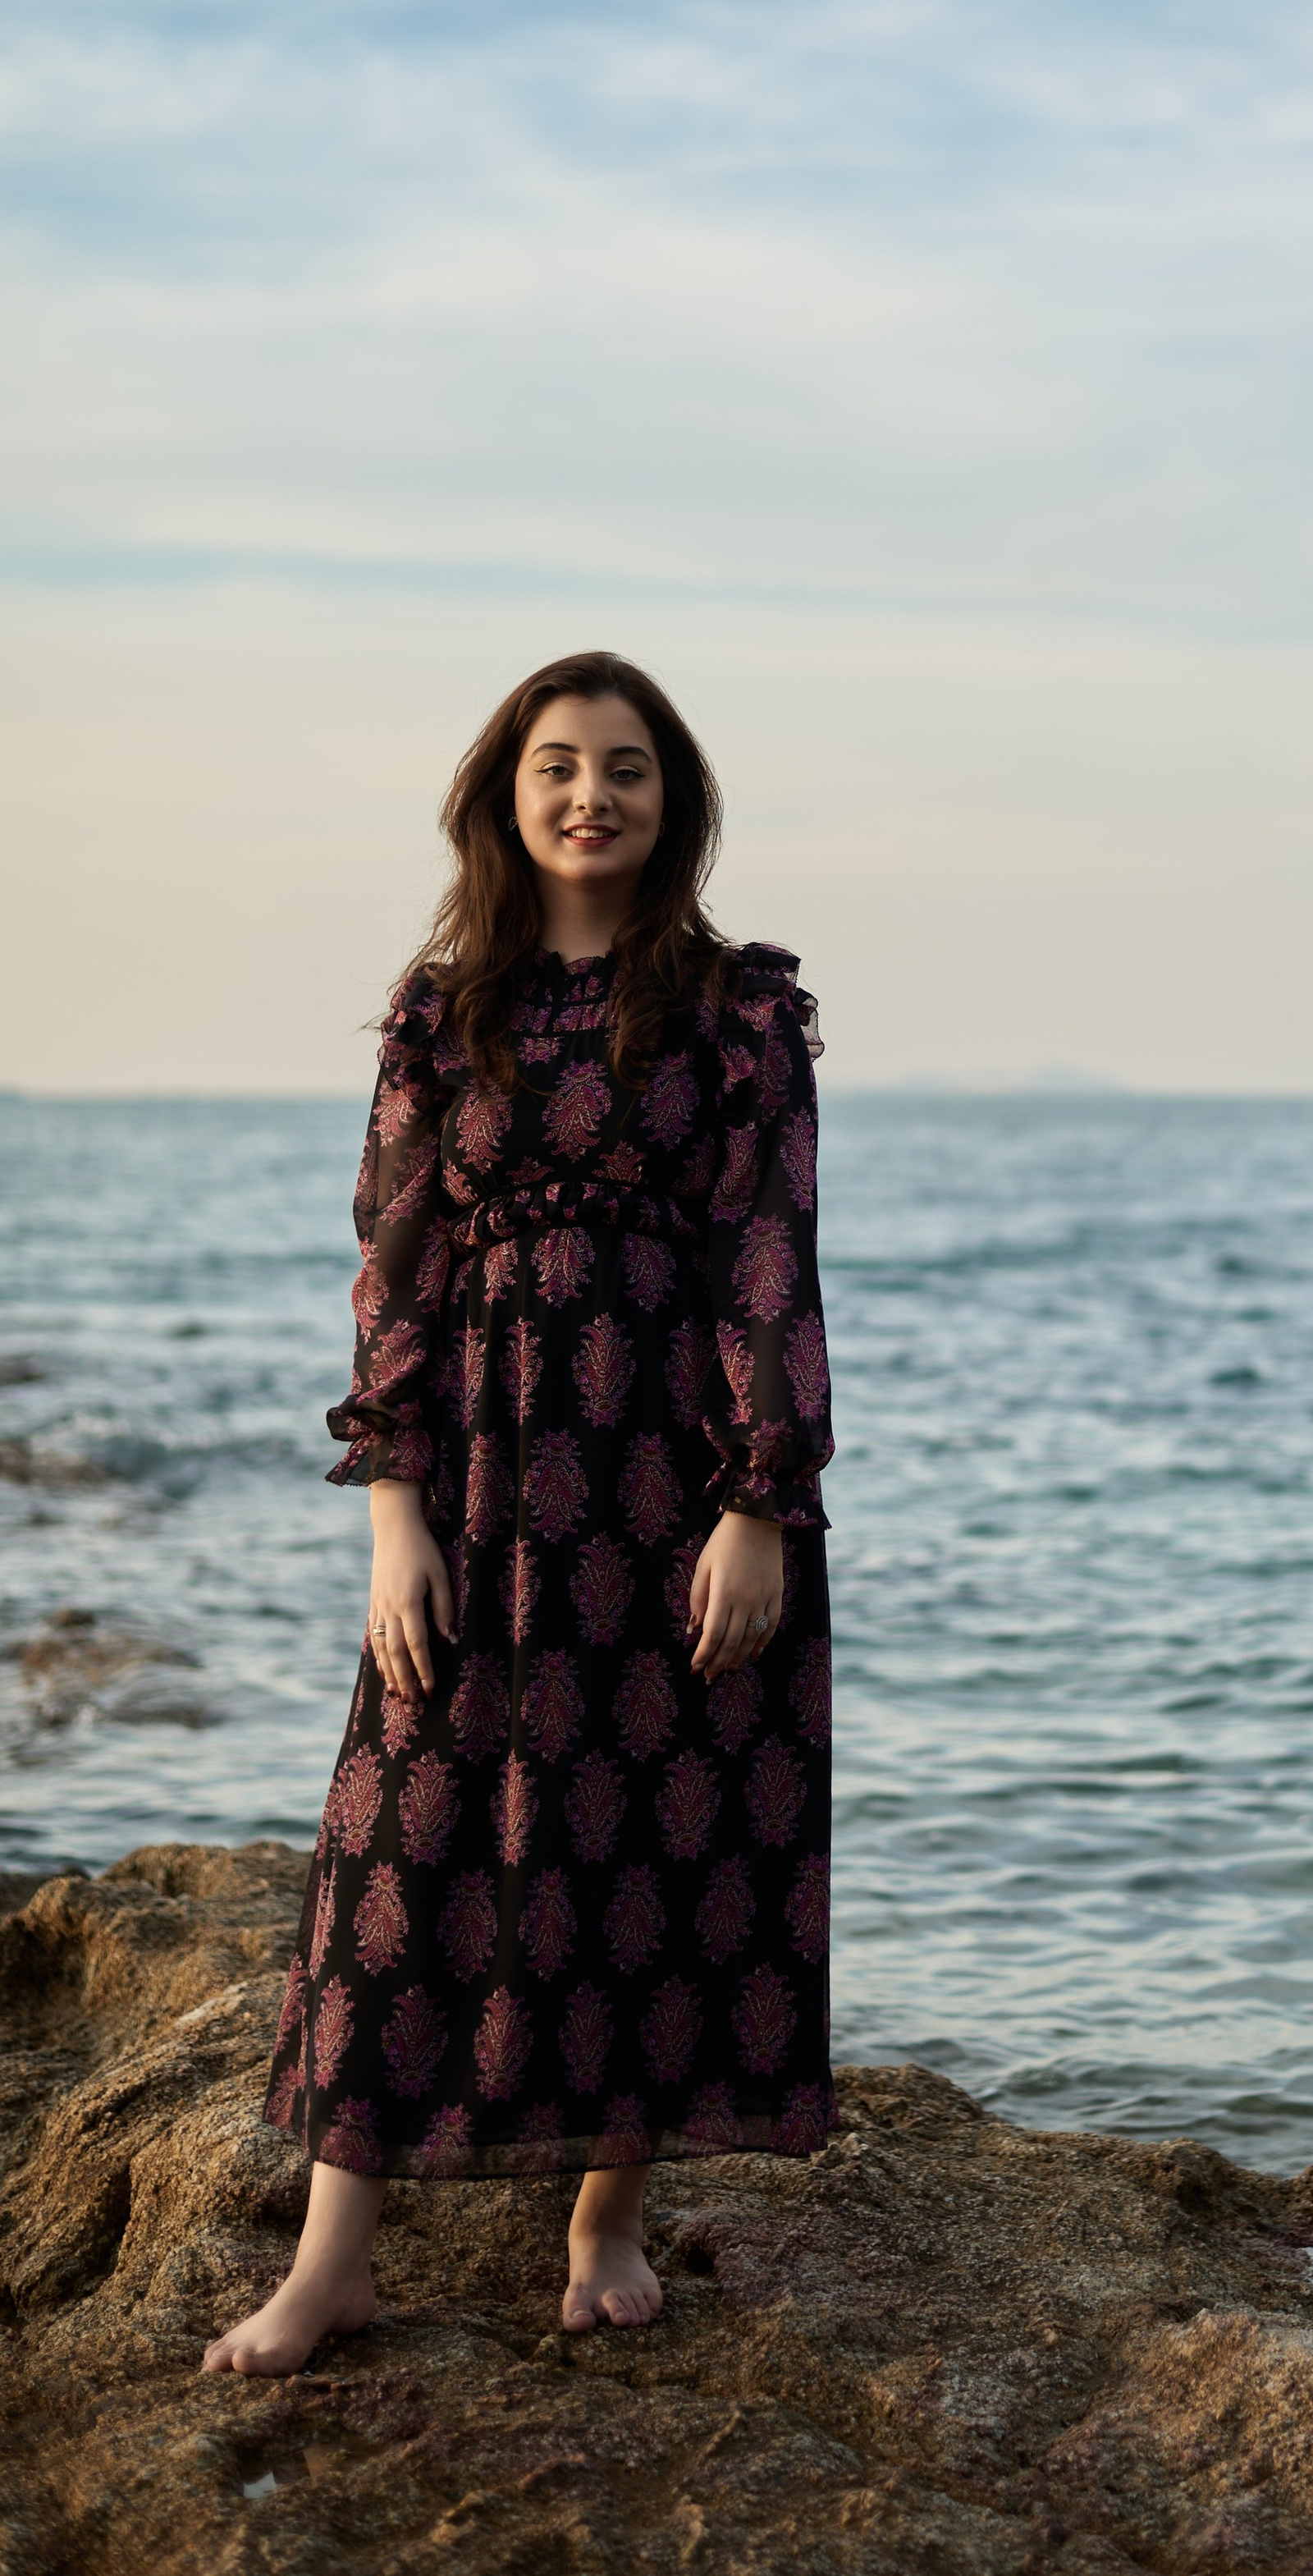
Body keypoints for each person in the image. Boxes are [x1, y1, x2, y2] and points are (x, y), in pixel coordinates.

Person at [205, 650, 835, 2377]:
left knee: (658, 1836)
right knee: (401, 1852)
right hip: (477, 1479)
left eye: (626, 769)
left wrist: (758, 1504)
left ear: (670, 802)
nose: (591, 797)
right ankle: (336, 2258)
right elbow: (390, 1271)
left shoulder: (735, 1010)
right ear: (505, 795)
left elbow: (767, 1258)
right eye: (558, 767)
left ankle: (603, 2221)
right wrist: (390, 1514)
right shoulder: (443, 1006)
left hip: (671, 1473)